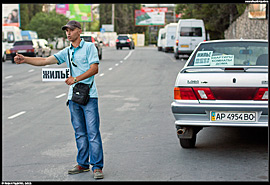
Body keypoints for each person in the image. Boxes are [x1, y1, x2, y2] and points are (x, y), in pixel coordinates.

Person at [14, 20, 104, 179]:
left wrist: (76, 79)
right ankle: (83, 164)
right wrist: (25, 59)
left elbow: (94, 69)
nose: (68, 33)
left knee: (93, 133)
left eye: (71, 30)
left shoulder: (89, 47)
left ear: (79, 31)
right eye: (66, 31)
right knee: (79, 133)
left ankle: (97, 167)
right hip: (74, 97)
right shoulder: (67, 51)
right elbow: (45, 60)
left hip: (89, 96)